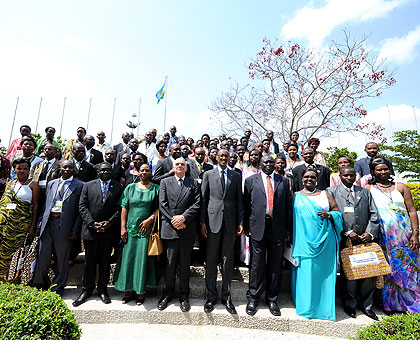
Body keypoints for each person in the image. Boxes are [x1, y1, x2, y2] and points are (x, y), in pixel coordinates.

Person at [364, 157, 420, 314]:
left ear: (390, 169)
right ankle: (390, 305)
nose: (382, 172)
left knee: (411, 269)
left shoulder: (401, 187)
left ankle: (412, 305)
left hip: (406, 238)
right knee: (388, 271)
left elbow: (412, 211)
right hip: (384, 239)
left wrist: (415, 234)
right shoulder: (369, 188)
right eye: (379, 169)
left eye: (385, 168)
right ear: (373, 172)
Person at [327, 166, 380, 320]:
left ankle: (367, 306)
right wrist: (347, 231)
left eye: (351, 176)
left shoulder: (365, 192)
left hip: (365, 240)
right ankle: (350, 304)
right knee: (349, 274)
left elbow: (374, 214)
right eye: (345, 176)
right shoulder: (331, 191)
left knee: (369, 272)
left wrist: (370, 233)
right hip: (346, 239)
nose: (349, 178)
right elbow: (333, 213)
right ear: (340, 176)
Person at [291, 169, 343, 321]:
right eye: (306, 176)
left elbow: (337, 212)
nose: (309, 179)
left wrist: (329, 215)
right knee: (306, 274)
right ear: (301, 179)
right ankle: (306, 307)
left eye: (312, 177)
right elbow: (289, 217)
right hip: (303, 242)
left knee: (323, 275)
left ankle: (323, 308)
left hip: (325, 241)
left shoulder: (325, 194)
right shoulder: (296, 196)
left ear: (317, 179)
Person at [243, 156, 291, 316]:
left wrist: (288, 229)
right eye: (266, 162)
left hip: (277, 228)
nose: (269, 164)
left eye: (272, 162)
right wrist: (246, 226)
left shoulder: (283, 181)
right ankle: (254, 297)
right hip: (257, 227)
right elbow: (246, 205)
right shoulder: (251, 181)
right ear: (260, 164)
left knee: (275, 264)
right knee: (256, 264)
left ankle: (272, 298)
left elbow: (287, 207)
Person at [73, 162, 124, 306]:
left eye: (109, 170)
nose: (106, 172)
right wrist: (91, 223)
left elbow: (120, 208)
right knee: (89, 262)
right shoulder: (87, 186)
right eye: (103, 170)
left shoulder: (118, 187)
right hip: (91, 230)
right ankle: (87, 290)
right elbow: (82, 206)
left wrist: (109, 222)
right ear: (98, 171)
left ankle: (103, 289)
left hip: (109, 231)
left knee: (105, 261)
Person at [200, 149, 244, 314]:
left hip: (230, 223)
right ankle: (211, 297)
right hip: (212, 223)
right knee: (211, 261)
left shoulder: (236, 176)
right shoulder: (208, 175)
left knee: (227, 261)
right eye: (222, 156)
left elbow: (239, 201)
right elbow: (203, 199)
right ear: (216, 158)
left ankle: (226, 297)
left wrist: (240, 222)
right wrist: (202, 221)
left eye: (227, 156)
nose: (224, 158)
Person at [32, 160, 84, 295]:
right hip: (48, 223)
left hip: (65, 225)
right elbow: (45, 205)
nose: (67, 169)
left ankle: (58, 286)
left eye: (70, 167)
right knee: (43, 256)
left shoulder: (80, 185)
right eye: (64, 167)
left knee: (62, 258)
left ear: (73, 170)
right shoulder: (52, 183)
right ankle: (40, 284)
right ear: (60, 169)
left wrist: (75, 229)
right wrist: (39, 224)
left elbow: (80, 210)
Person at [158, 158, 201, 312]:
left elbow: (197, 203)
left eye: (183, 164)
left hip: (186, 228)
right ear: (173, 167)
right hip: (170, 228)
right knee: (169, 265)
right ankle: (167, 294)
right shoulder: (165, 182)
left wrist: (184, 218)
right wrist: (174, 220)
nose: (180, 166)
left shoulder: (193, 182)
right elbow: (162, 204)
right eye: (177, 164)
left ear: (186, 167)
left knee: (184, 265)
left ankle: (184, 295)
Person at [114, 164, 159, 305]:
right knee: (129, 260)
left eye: (147, 170)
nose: (144, 172)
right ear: (138, 172)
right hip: (131, 229)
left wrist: (150, 219)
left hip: (146, 230)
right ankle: (129, 290)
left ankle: (140, 292)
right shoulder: (130, 188)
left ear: (151, 172)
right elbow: (124, 208)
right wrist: (123, 228)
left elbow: (160, 208)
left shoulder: (156, 189)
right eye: (142, 170)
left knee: (142, 260)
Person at [0, 158, 39, 282]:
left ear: (29, 170)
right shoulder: (10, 183)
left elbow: (35, 206)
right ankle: (2, 277)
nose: (22, 171)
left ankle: (14, 278)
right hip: (5, 226)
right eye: (19, 168)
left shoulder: (33, 184)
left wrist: (33, 226)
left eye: (25, 169)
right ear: (14, 170)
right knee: (2, 250)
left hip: (21, 226)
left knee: (17, 252)